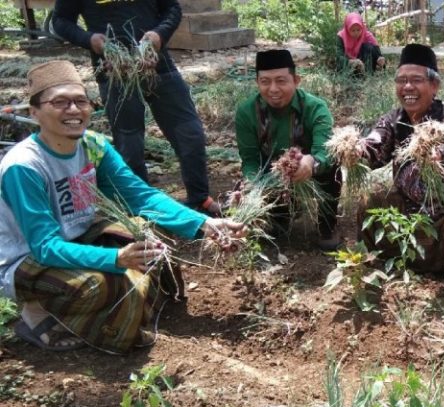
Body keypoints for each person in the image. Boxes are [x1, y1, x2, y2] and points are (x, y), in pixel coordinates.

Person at [0, 61, 245, 354]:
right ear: (35, 113)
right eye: (60, 102)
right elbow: (45, 247)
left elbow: (140, 197)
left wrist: (205, 224)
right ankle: (37, 314)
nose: (74, 110)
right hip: (27, 259)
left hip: (76, 238)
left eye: (81, 101)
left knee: (152, 245)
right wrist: (116, 258)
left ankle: (99, 308)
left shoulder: (92, 146)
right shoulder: (25, 167)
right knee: (100, 286)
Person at [52, 0, 222, 216]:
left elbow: (171, 8)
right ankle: (143, 209)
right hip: (115, 70)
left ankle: (199, 199)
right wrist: (90, 40)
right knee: (129, 144)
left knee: (190, 133)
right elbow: (60, 20)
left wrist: (159, 35)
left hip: (157, 65)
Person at [355, 44, 444, 276]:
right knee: (371, 202)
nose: (407, 87)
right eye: (401, 80)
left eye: (416, 80)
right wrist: (356, 149)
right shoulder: (393, 119)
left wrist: (440, 154)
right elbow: (375, 144)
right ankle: (389, 263)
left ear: (434, 85)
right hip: (410, 206)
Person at [235, 49, 341, 251]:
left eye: (281, 81)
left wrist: (310, 162)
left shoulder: (316, 108)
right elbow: (249, 160)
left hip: (309, 171)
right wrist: (253, 187)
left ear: (296, 80)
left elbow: (324, 152)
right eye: (265, 81)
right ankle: (282, 213)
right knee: (275, 228)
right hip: (272, 176)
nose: (273, 89)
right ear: (257, 82)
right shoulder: (246, 112)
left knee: (334, 164)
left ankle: (327, 223)